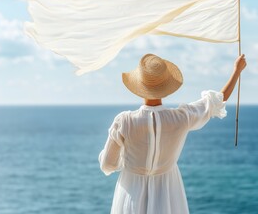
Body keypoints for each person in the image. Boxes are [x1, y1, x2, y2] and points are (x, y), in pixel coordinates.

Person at [98, 53, 247, 214]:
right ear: (165, 87)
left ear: (139, 87)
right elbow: (216, 102)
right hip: (168, 193)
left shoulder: (124, 121)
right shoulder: (181, 118)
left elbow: (108, 164)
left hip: (131, 192)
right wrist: (236, 71)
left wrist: (129, 162)